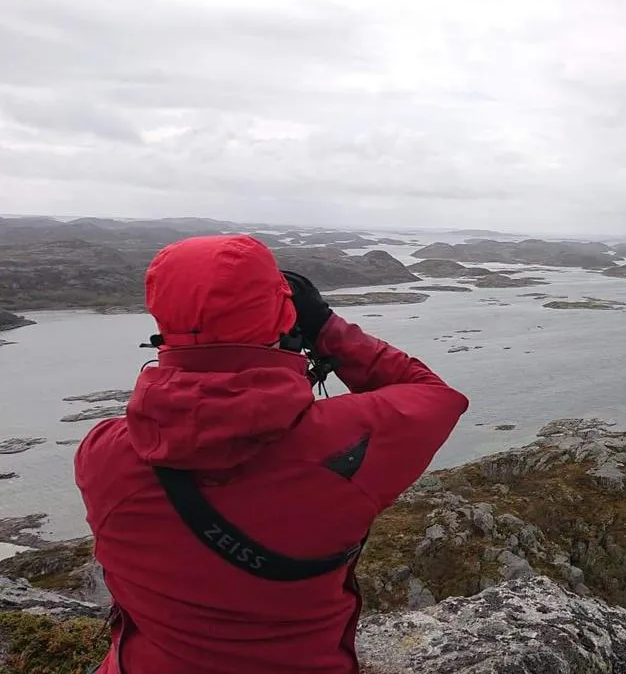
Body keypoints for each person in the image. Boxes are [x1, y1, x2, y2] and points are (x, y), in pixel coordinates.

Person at [74, 233, 469, 674]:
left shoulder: (101, 453)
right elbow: (434, 395)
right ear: (283, 316)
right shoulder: (344, 447)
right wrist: (326, 329)